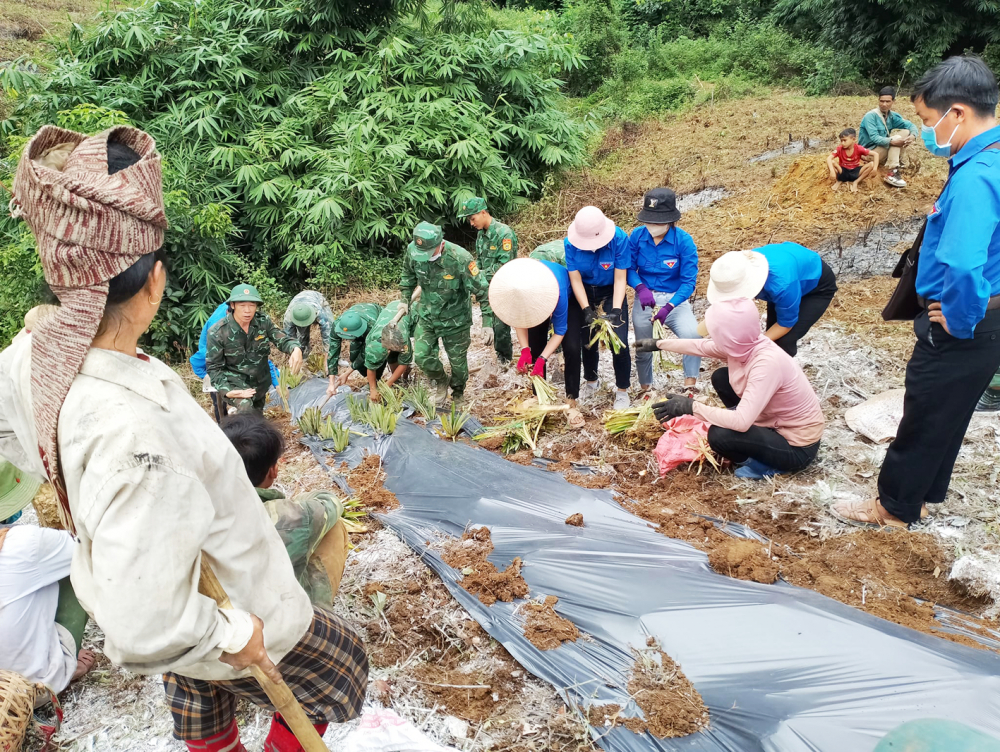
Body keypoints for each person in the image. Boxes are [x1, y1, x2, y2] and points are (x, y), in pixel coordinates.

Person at [0, 125, 366, 751]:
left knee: (198, 688)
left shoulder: (32, 358)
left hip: (180, 566)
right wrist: (231, 634)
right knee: (341, 662)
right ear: (153, 281)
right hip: (230, 605)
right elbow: (146, 623)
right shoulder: (137, 442)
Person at [833, 56, 1000, 530]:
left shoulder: (975, 177)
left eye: (929, 121)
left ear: (959, 113)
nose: (927, 132)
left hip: (962, 321)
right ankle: (923, 497)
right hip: (990, 321)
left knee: (924, 412)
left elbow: (965, 263)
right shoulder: (993, 159)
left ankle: (892, 508)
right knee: (950, 412)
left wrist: (962, 317)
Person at [637, 297, 825, 479]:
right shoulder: (746, 342)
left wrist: (691, 407)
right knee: (722, 377)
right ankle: (751, 435)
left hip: (795, 446)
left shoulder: (766, 364)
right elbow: (701, 346)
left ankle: (762, 465)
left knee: (719, 436)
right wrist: (658, 344)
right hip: (773, 421)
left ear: (726, 335)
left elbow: (741, 421)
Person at [221, 414, 350, 607]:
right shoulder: (288, 515)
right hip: (278, 623)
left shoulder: (196, 507)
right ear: (273, 471)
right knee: (333, 526)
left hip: (224, 621)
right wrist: (298, 502)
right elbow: (331, 502)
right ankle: (317, 607)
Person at [0, 462, 94, 695]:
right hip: (33, 687)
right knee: (76, 563)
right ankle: (63, 663)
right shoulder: (24, 543)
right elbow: (90, 546)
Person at [488, 257, 585, 428]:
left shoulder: (559, 291)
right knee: (534, 344)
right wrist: (525, 350)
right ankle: (538, 396)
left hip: (567, 299)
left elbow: (560, 331)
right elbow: (519, 320)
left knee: (572, 347)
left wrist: (543, 359)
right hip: (531, 297)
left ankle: (571, 401)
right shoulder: (515, 289)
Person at [400, 221, 489, 407]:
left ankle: (458, 393)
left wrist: (487, 322)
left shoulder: (460, 259)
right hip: (427, 316)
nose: (423, 257)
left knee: (458, 364)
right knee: (422, 356)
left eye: (428, 252)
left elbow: (482, 290)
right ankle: (441, 381)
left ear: (440, 244)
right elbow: (407, 275)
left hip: (455, 321)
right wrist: (404, 299)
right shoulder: (414, 251)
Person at [627, 188, 702, 394]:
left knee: (693, 337)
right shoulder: (637, 237)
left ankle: (689, 386)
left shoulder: (684, 242)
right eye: (649, 221)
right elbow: (629, 269)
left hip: (674, 300)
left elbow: (688, 283)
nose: (653, 226)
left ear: (670, 220)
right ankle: (646, 389)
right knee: (643, 346)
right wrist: (641, 288)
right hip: (646, 299)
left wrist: (669, 306)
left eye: (658, 222)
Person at [708, 244, 837, 357]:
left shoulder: (780, 286)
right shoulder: (737, 269)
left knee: (783, 341)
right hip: (789, 275)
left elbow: (785, 324)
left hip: (816, 287)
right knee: (770, 337)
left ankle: (780, 377)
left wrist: (754, 346)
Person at [565, 206, 632, 409]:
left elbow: (620, 277)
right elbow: (575, 279)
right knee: (588, 340)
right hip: (584, 291)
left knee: (618, 341)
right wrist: (586, 308)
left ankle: (622, 390)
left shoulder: (619, 239)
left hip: (611, 291)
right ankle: (591, 381)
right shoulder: (570, 243)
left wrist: (616, 309)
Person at [206, 284, 303, 413]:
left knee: (257, 418)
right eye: (242, 306)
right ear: (233, 305)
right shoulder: (218, 332)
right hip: (235, 382)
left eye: (252, 305)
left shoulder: (263, 322)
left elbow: (281, 339)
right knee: (246, 409)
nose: (247, 310)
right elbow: (214, 367)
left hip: (260, 382)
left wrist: (295, 348)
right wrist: (228, 391)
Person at [191, 301, 279, 422]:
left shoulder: (249, 322)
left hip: (236, 365)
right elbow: (197, 362)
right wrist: (209, 377)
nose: (247, 310)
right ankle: (224, 429)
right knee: (219, 401)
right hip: (216, 362)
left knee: (251, 404)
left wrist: (276, 380)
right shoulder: (219, 331)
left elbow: (258, 357)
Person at [458, 196, 517, 365]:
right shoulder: (481, 236)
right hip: (487, 286)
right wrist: (472, 273)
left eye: (473, 218)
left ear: (483, 213)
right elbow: (480, 261)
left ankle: (505, 361)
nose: (471, 223)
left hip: (504, 286)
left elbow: (504, 265)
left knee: (500, 328)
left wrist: (480, 275)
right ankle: (501, 360)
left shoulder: (504, 234)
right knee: (490, 325)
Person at [859, 86, 920, 188]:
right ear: (878, 100)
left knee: (906, 132)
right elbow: (875, 138)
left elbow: (910, 125)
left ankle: (895, 166)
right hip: (869, 153)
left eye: (887, 101)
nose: (884, 104)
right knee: (895, 140)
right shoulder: (870, 116)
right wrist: (893, 141)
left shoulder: (892, 116)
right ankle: (892, 172)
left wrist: (913, 136)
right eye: (882, 101)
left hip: (882, 151)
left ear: (893, 102)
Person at [327, 302, 382, 397]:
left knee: (376, 355)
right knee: (354, 356)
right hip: (357, 325)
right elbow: (333, 352)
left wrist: (347, 373)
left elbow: (367, 352)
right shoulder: (337, 325)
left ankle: (374, 381)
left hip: (374, 319)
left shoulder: (372, 326)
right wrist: (331, 383)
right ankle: (369, 376)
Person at [364, 299, 413, 402]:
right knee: (394, 359)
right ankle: (397, 380)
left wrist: (387, 384)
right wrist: (373, 389)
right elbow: (370, 366)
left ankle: (404, 378)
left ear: (388, 351)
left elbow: (404, 362)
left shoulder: (402, 340)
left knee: (404, 358)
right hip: (391, 308)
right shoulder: (370, 339)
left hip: (409, 309)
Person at [283, 290, 335, 373]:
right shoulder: (289, 317)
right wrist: (295, 355)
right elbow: (289, 339)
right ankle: (304, 360)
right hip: (299, 307)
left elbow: (328, 336)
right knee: (302, 337)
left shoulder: (319, 312)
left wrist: (327, 362)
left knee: (332, 330)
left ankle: (335, 359)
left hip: (318, 300)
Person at [827, 128, 880, 193]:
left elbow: (876, 154)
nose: (842, 143)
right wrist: (832, 171)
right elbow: (829, 158)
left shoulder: (859, 148)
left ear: (853, 139)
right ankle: (839, 180)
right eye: (841, 141)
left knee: (871, 164)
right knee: (831, 162)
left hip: (855, 171)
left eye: (845, 140)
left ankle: (856, 182)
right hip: (842, 171)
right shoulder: (839, 149)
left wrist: (875, 169)